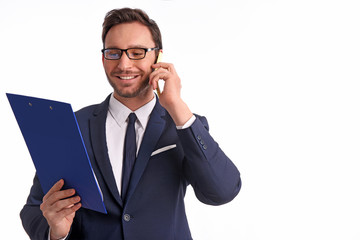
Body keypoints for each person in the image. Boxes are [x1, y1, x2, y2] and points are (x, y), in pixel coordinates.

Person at [20, 8, 241, 240]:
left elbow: (222, 192)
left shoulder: (182, 124)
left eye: (137, 52)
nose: (124, 65)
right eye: (114, 53)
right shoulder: (71, 126)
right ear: (103, 57)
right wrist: (56, 232)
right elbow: (34, 208)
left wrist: (176, 106)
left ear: (158, 57)